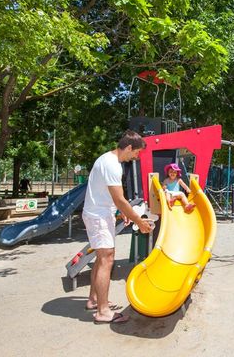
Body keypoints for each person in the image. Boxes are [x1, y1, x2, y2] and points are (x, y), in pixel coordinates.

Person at [82, 129, 152, 324]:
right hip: (98, 217)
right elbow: (120, 199)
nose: (136, 157)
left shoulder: (106, 159)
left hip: (99, 213)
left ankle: (94, 299)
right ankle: (103, 312)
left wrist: (119, 212)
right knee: (107, 258)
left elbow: (108, 195)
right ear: (129, 147)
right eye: (136, 153)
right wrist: (139, 221)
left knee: (101, 257)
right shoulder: (113, 165)